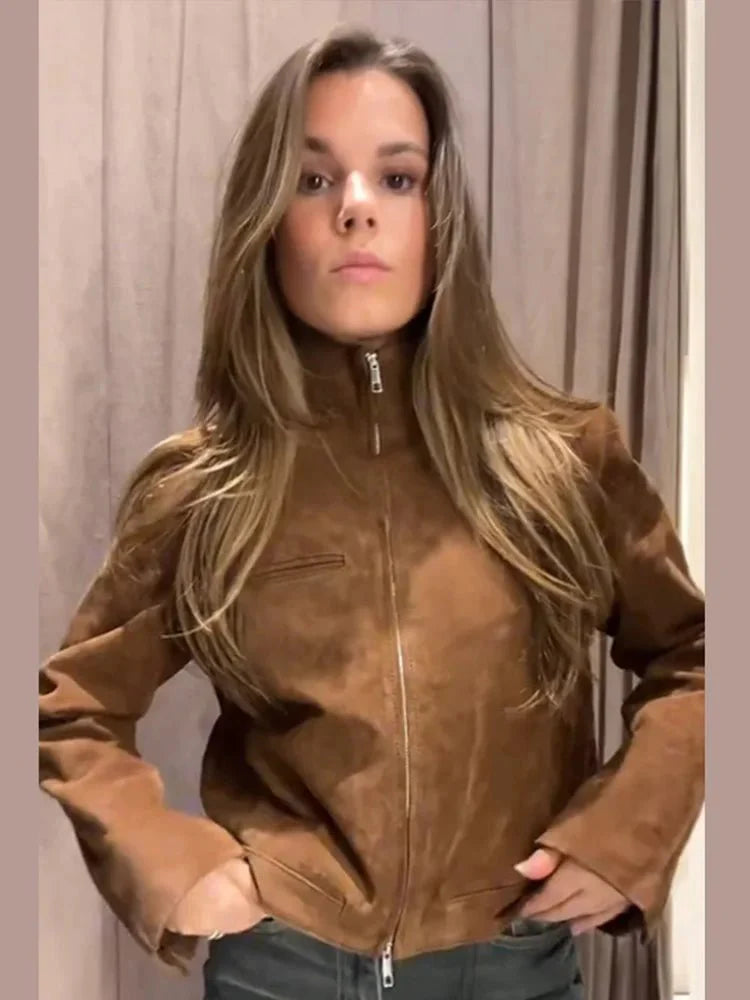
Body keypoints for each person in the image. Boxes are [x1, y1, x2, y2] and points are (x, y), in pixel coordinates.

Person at [38, 25, 705, 1000]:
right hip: (285, 969)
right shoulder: (206, 486)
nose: (357, 208)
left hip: (509, 968)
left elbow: (697, 657)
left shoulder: (565, 456)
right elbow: (76, 706)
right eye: (313, 179)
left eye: (398, 178)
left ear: (442, 214)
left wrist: (626, 833)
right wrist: (173, 867)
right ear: (268, 219)